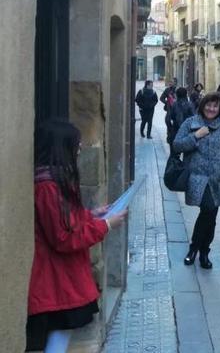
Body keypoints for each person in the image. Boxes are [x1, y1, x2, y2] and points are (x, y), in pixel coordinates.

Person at [26, 119, 128, 352]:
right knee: (58, 332)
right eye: (76, 144)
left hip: (62, 274)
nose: (80, 148)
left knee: (61, 331)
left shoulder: (53, 181)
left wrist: (92, 215)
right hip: (57, 275)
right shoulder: (48, 186)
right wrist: (106, 226)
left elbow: (66, 220)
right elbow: (63, 237)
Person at [174, 92, 220, 270]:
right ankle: (197, 249)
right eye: (208, 105)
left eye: (215, 106)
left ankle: (201, 251)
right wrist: (196, 136)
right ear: (203, 106)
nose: (211, 109)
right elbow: (177, 145)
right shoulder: (190, 123)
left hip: (218, 179)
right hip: (197, 178)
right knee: (208, 210)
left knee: (211, 214)